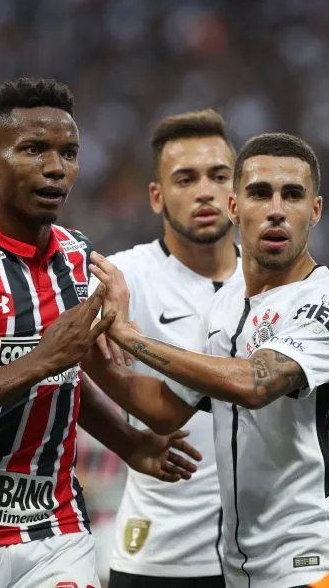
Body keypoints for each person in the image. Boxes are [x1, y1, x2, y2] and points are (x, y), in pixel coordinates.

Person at [0, 77, 202, 588]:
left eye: (69, 153)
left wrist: (130, 443)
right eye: (34, 150)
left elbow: (66, 382)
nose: (57, 168)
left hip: (53, 529)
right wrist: (42, 359)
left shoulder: (77, 259)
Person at [86, 133, 329, 588]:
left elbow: (254, 384)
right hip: (246, 568)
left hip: (315, 559)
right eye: (260, 193)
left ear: (315, 211)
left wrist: (131, 339)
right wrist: (84, 348)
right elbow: (164, 409)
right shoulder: (226, 306)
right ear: (234, 208)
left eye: (292, 195)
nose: (276, 209)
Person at [102, 110, 240, 588]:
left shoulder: (274, 282)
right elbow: (60, 365)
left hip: (264, 555)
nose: (205, 191)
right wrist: (126, 442)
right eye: (186, 178)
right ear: (157, 197)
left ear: (237, 189)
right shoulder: (121, 279)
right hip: (160, 556)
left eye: (218, 176)